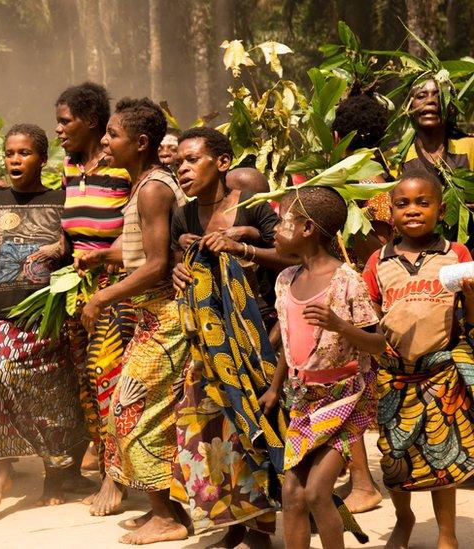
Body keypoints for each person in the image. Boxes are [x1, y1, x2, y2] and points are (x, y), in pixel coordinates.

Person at [169, 127, 291, 547]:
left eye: (191, 160)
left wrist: (244, 249)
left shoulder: (252, 209)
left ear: (222, 163)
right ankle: (232, 522)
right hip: (209, 346)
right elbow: (181, 269)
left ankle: (264, 526)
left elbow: (292, 259)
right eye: (178, 163)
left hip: (262, 337)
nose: (182, 168)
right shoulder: (183, 216)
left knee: (256, 428)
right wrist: (178, 270)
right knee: (213, 435)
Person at [77, 98, 190, 544]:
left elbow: (158, 264)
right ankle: (162, 507)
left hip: (165, 316)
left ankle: (168, 517)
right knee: (133, 411)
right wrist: (103, 257)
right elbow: (140, 249)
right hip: (150, 317)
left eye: (113, 134)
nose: (104, 142)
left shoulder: (152, 189)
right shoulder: (143, 184)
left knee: (134, 409)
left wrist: (101, 298)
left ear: (140, 143)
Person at [262, 186, 384, 549]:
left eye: (283, 220)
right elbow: (288, 339)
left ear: (307, 229)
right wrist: (274, 385)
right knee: (291, 493)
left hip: (347, 398)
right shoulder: (286, 280)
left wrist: (340, 326)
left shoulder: (345, 280)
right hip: (305, 398)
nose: (275, 228)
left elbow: (378, 344)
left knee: (316, 492)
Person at [361, 173, 474, 549]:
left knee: (444, 457)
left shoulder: (456, 255)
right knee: (395, 457)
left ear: (440, 210)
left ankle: (447, 534)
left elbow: (468, 318)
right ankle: (404, 517)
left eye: (423, 203)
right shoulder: (378, 261)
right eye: (403, 204)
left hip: (439, 373)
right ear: (391, 212)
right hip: (394, 377)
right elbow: (370, 315)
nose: (412, 210)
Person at [0, 124, 85, 511]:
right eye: (10, 153)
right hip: (2, 314)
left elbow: (80, 245)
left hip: (49, 317)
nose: (15, 160)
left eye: (24, 153)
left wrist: (63, 246)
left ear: (42, 158)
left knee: (52, 399)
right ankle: (2, 470)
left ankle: (54, 474)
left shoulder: (63, 200)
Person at [54, 82, 134, 496]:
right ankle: (108, 464)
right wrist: (60, 246)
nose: (59, 130)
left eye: (65, 122)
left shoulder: (121, 167)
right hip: (77, 288)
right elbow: (76, 224)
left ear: (91, 122)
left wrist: (102, 258)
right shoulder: (69, 166)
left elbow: (134, 230)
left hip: (116, 287)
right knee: (86, 383)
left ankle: (114, 478)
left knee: (108, 375)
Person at [328, 91, 393, 514]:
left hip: (362, 290)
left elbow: (377, 234)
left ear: (338, 134)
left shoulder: (360, 176)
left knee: (351, 384)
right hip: (370, 286)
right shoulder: (382, 169)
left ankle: (364, 482)